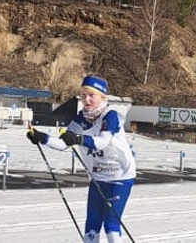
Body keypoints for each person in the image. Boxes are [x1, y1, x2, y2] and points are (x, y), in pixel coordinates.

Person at [27, 75, 136, 243]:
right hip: (98, 177)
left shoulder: (110, 116)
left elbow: (102, 142)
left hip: (120, 176)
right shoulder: (79, 120)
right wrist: (43, 138)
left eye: (92, 95)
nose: (87, 99)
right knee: (91, 224)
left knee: (111, 225)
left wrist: (79, 139)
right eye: (83, 94)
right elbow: (64, 144)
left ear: (103, 97)